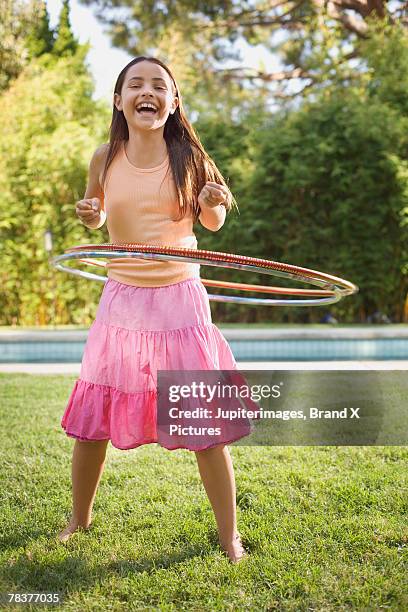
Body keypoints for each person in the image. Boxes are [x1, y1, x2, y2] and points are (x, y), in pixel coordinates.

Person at [57, 56, 248, 563]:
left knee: (203, 423)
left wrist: (211, 200)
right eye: (135, 84)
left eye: (159, 85)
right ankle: (79, 517)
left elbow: (212, 223)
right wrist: (91, 213)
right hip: (122, 299)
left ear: (174, 102)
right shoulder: (105, 156)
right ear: (119, 100)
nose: (148, 91)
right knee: (92, 418)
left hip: (179, 302)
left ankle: (229, 536)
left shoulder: (189, 157)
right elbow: (96, 214)